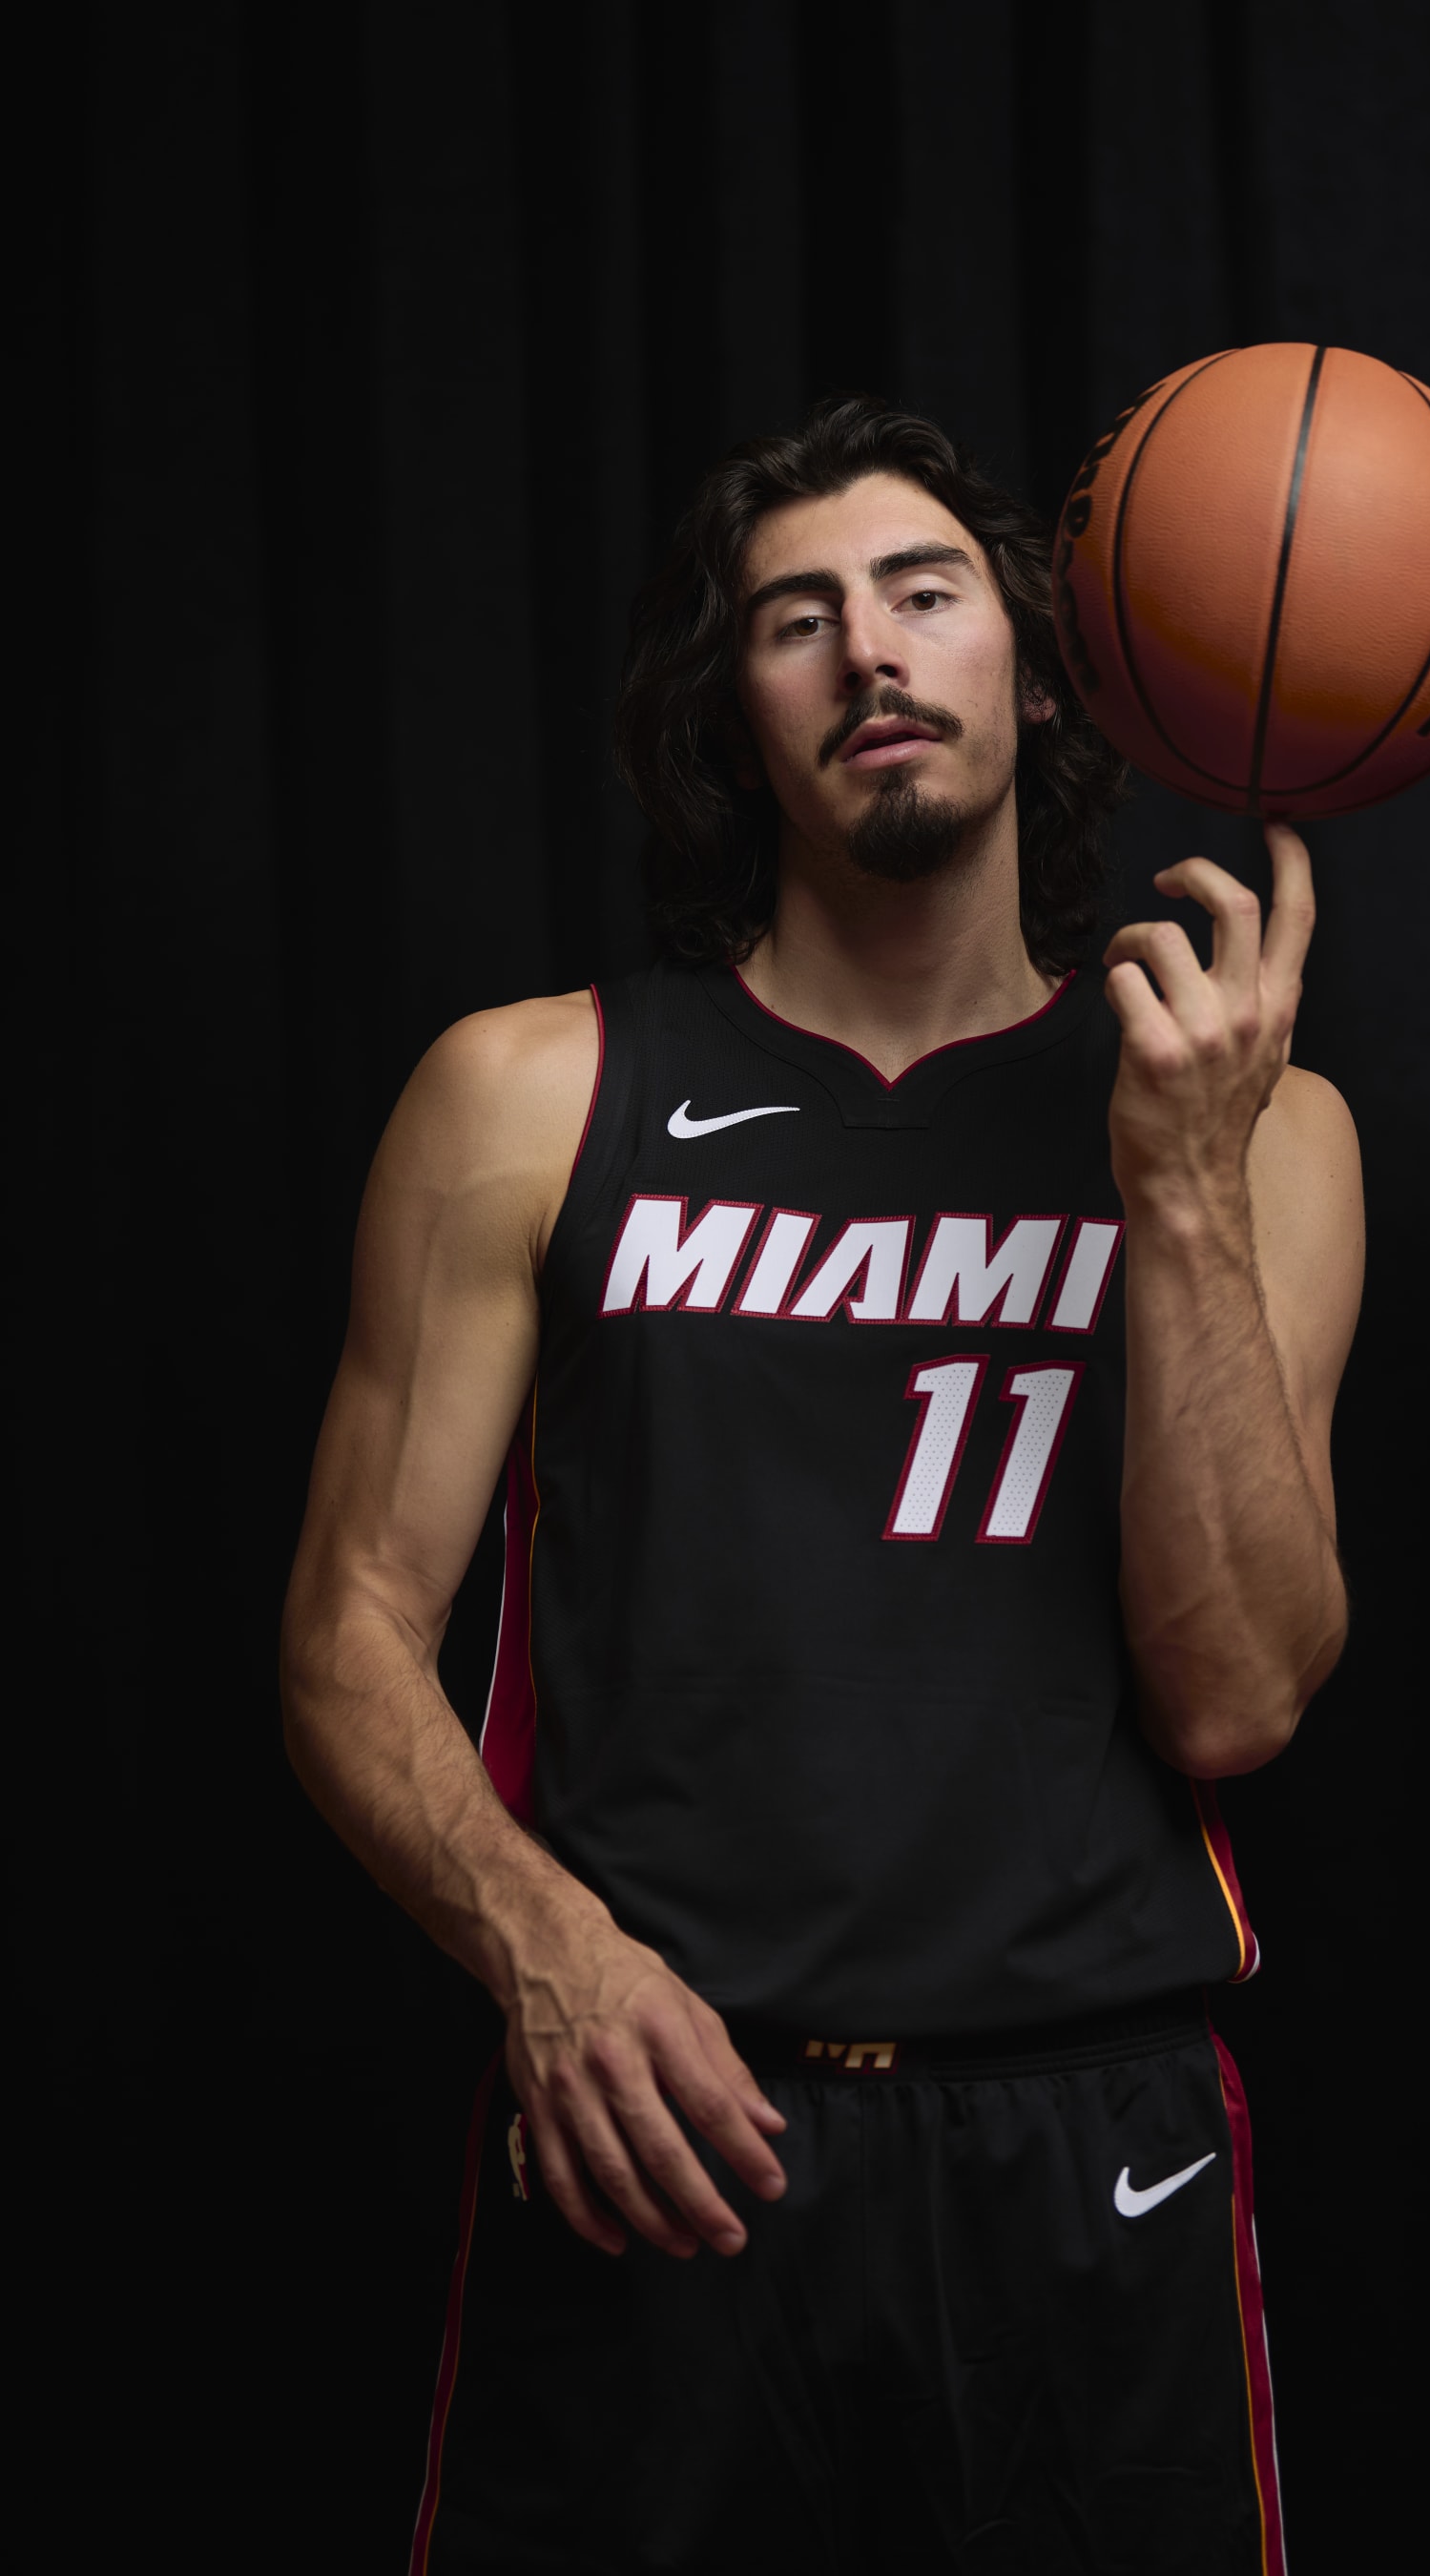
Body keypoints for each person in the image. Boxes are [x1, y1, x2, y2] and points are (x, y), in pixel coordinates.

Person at [281, 395, 1363, 2574]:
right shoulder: (531, 1094)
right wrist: (546, 1956)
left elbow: (1237, 1695)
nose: (870, 651)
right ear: (733, 715)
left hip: (1095, 2146)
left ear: (1034, 670)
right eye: (797, 619)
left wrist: (1175, 1189)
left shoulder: (1261, 1126)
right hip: (663, 2128)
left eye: (925, 593)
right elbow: (345, 1639)